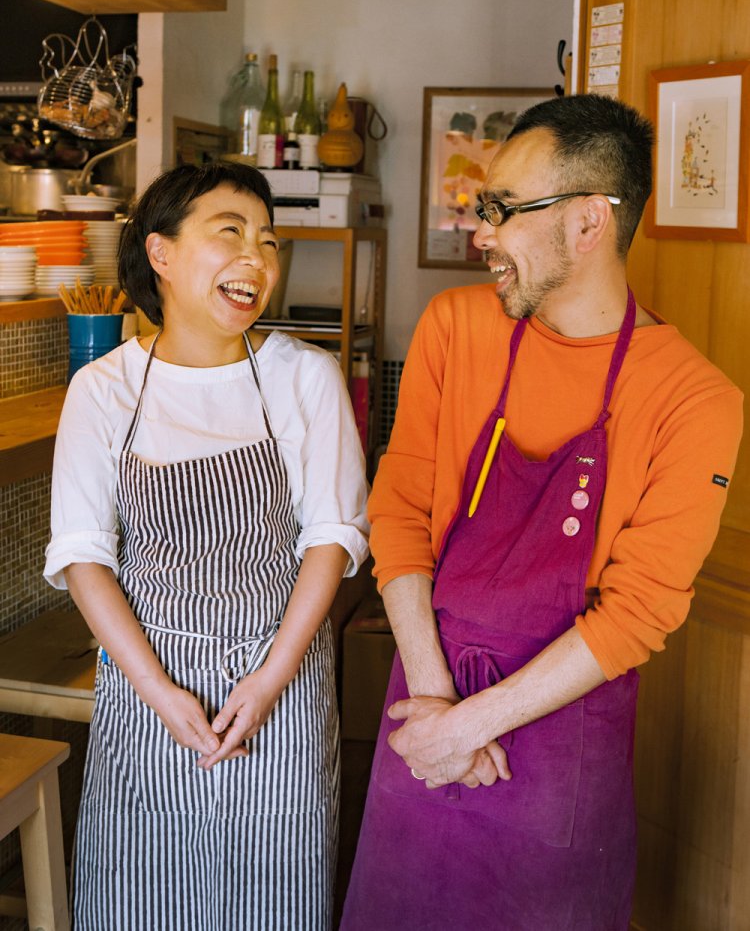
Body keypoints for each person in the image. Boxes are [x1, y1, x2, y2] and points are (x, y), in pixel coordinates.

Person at [341, 94, 743, 930]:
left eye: (501, 209)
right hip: (424, 707)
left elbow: (638, 611)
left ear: (589, 221)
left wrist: (471, 726)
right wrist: (438, 705)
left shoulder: (696, 399)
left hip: (559, 755)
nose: (480, 234)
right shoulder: (454, 327)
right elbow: (400, 510)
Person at [44, 161, 369, 931]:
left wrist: (270, 680)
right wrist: (161, 692)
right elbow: (84, 557)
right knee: (138, 897)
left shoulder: (305, 377)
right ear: (160, 252)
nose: (256, 257)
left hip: (281, 687)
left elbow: (332, 537)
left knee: (276, 900)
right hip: (146, 692)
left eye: (268, 240)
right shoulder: (103, 388)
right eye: (231, 232)